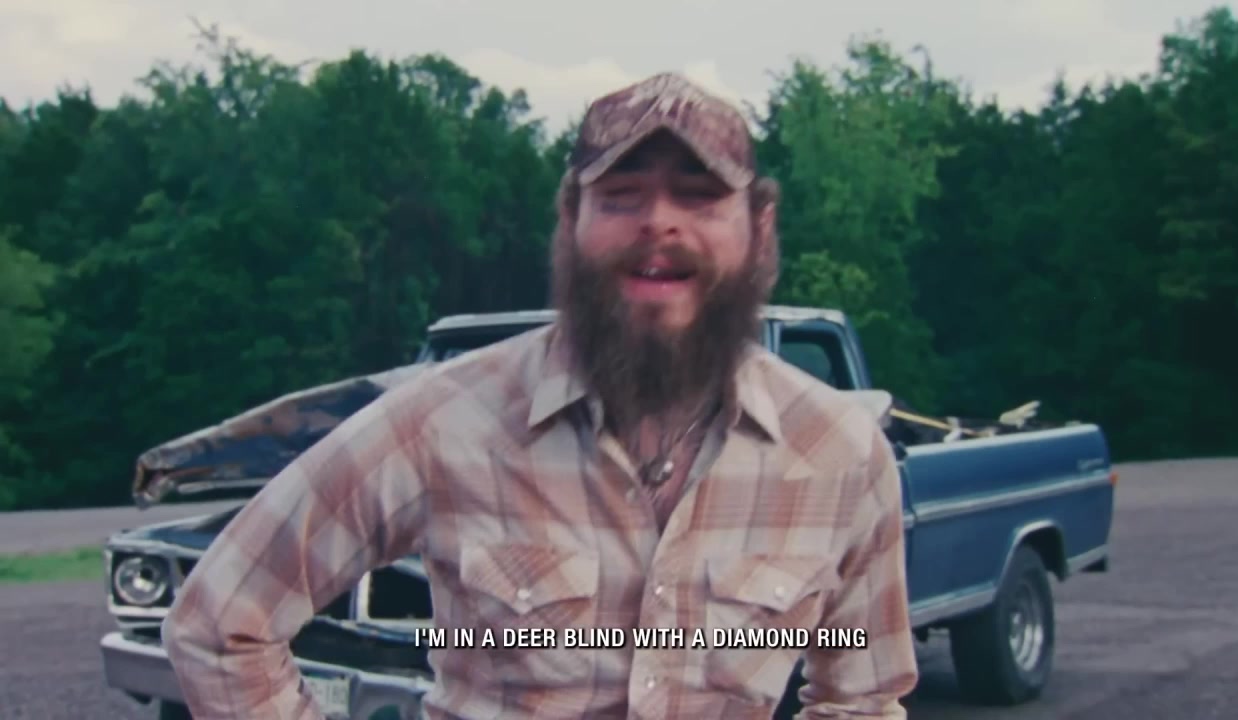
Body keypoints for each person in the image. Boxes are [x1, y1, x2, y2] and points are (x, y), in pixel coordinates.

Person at [161, 71, 919, 719]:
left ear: (759, 226)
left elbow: (862, 699)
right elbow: (222, 622)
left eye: (698, 197)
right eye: (620, 196)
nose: (659, 222)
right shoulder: (442, 421)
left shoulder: (840, 453)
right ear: (569, 219)